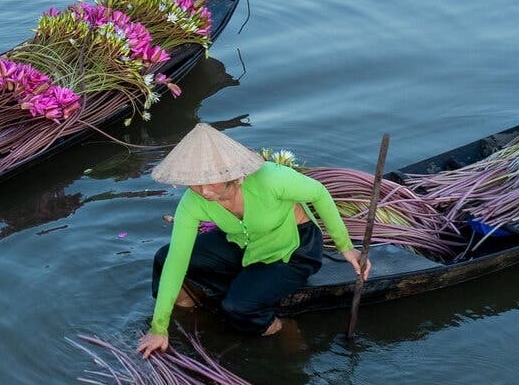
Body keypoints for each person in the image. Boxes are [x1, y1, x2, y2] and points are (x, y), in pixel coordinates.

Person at [140, 123, 369, 356]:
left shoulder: (271, 179)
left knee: (238, 308)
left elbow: (319, 193)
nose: (204, 192)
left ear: (235, 176)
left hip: (293, 249)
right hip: (242, 242)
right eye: (196, 183)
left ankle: (278, 327)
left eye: (212, 182)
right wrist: (159, 327)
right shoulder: (192, 202)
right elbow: (177, 259)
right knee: (164, 257)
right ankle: (192, 315)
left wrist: (346, 248)